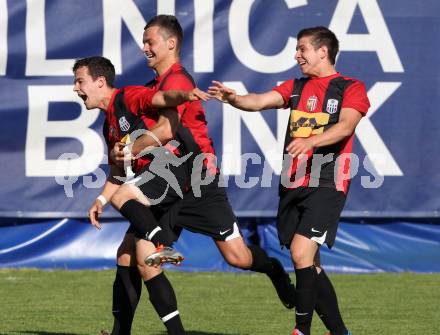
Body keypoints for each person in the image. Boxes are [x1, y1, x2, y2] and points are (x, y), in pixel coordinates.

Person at [109, 13, 296, 330]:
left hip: (198, 180)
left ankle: (275, 270)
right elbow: (153, 136)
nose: (144, 48)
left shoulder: (178, 80)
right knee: (137, 256)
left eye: (149, 41)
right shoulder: (152, 87)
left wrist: (131, 149)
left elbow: (167, 130)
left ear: (171, 43)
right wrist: (126, 149)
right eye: (143, 42)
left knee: (237, 258)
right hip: (169, 182)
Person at [208, 26, 370, 335]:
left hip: (327, 181)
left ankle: (301, 330)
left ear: (323, 51)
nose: (297, 54)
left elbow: (346, 126)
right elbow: (258, 101)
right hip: (293, 183)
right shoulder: (296, 86)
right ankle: (340, 332)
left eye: (302, 49)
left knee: (299, 253)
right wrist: (234, 98)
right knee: (311, 264)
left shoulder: (350, 87)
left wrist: (311, 141)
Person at [73, 56, 207, 335]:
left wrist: (184, 94)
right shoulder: (109, 123)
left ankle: (162, 243)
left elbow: (161, 98)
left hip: (174, 172)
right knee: (128, 256)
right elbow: (118, 171)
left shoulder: (128, 96)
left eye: (80, 81)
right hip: (150, 185)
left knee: (128, 206)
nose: (75, 88)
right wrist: (100, 201)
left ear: (100, 82)